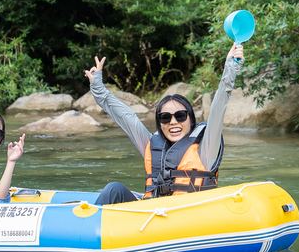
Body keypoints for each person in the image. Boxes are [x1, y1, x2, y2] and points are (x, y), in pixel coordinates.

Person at [85, 42, 244, 204]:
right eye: (165, 117)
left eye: (180, 116)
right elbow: (127, 119)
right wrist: (98, 88)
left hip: (189, 217)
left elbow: (219, 105)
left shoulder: (207, 148)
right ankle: (86, 226)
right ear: (160, 123)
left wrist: (231, 66)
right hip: (151, 216)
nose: (173, 122)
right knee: (114, 189)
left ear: (190, 119)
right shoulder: (153, 145)